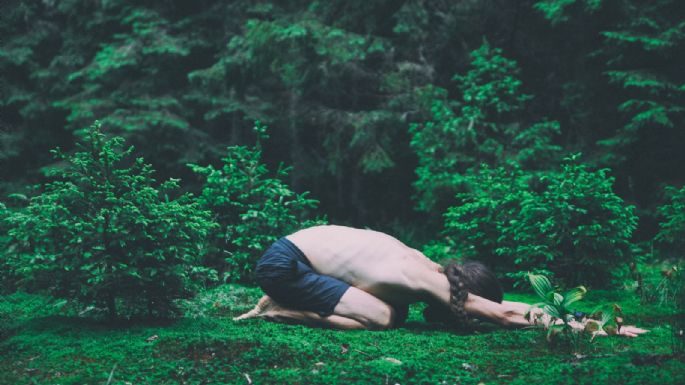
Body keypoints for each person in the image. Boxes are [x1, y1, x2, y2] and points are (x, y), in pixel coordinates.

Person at [234, 225, 647, 336]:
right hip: (284, 267)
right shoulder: (425, 280)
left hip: (290, 256)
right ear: (465, 293)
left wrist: (578, 314)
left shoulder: (422, 264)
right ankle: (280, 310)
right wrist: (593, 325)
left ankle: (281, 300)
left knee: (393, 311)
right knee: (383, 317)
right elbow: (504, 314)